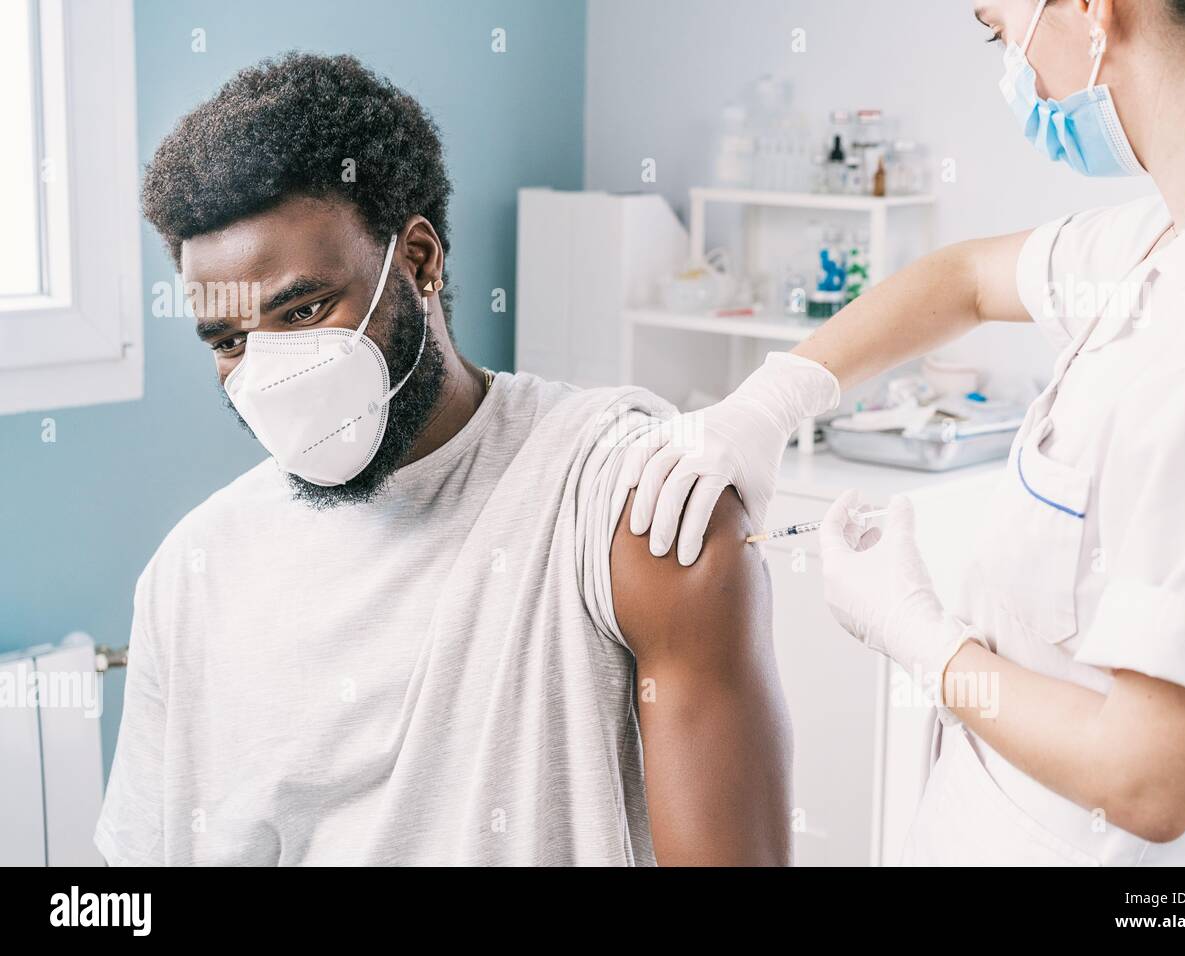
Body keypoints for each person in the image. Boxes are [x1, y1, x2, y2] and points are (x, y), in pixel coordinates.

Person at [624, 0, 1185, 864]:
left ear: (1092, 11)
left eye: (999, 30)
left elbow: (1149, 778)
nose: (1014, 77)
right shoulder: (1174, 232)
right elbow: (967, 278)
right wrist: (771, 400)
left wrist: (919, 637)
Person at [94, 53, 793, 866]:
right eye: (228, 341)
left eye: (306, 309)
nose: (268, 371)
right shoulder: (193, 571)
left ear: (419, 261)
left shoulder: (633, 510)